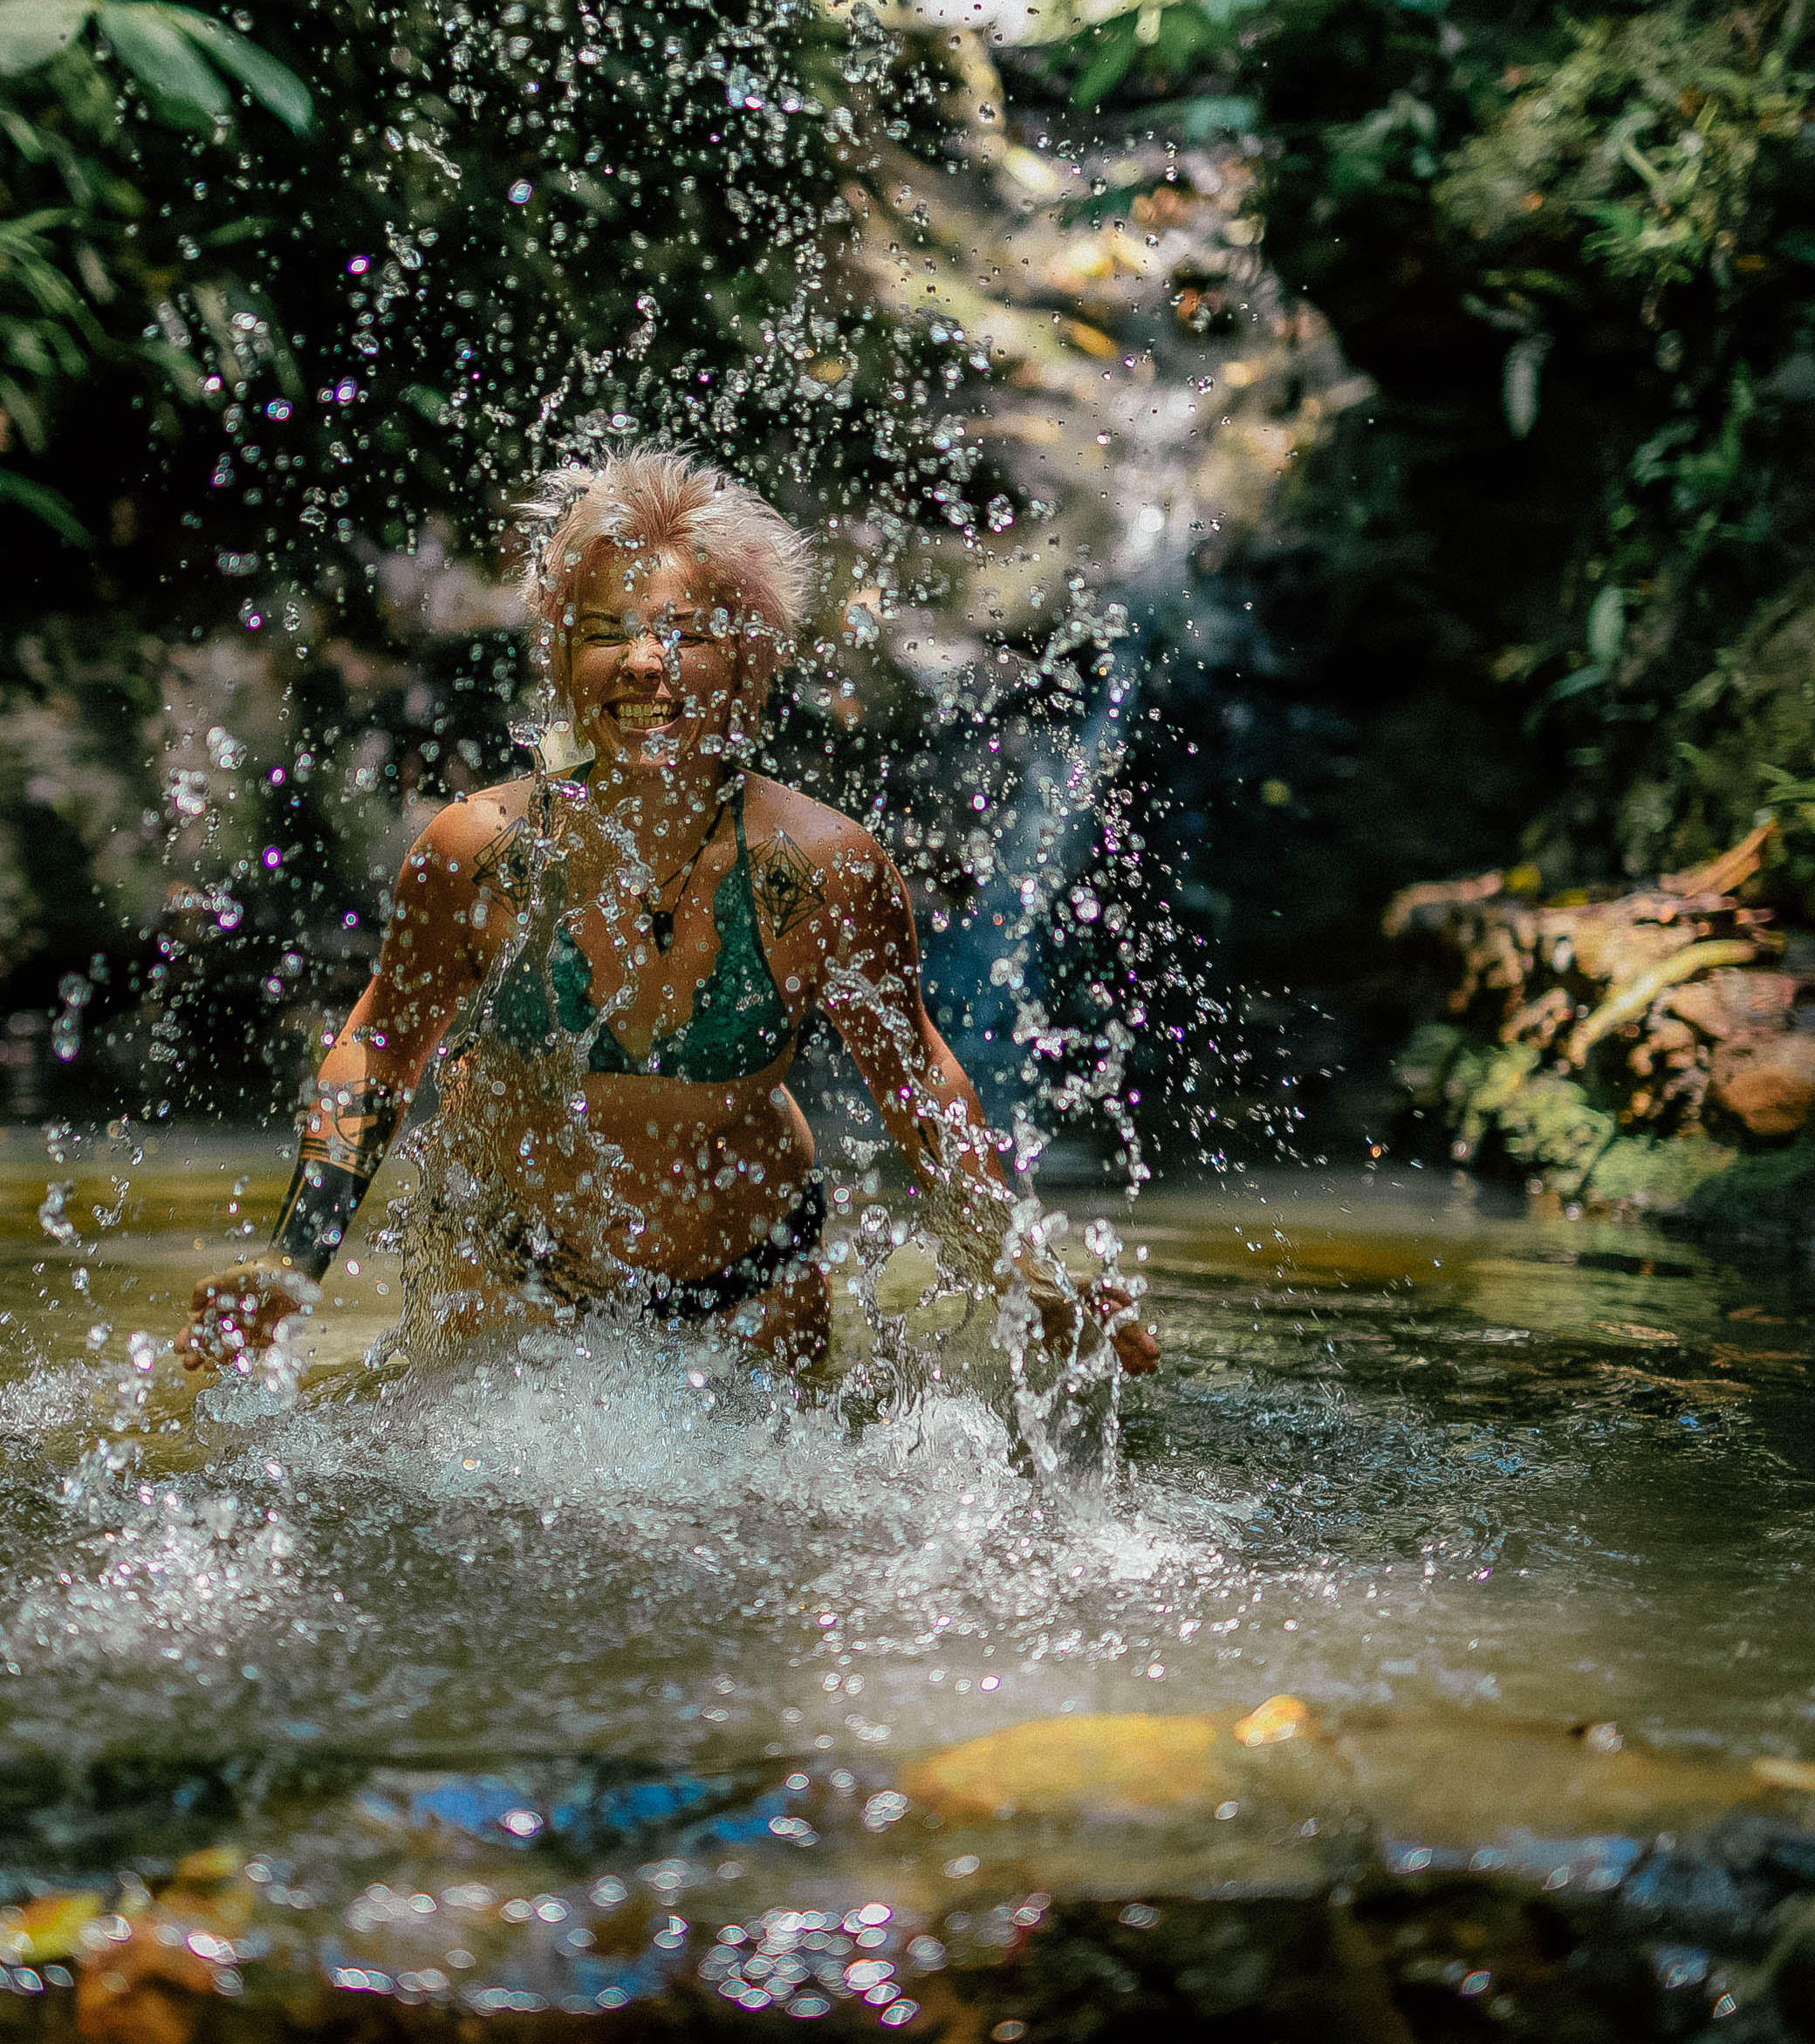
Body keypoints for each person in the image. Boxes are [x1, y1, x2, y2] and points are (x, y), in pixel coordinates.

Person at [177, 452, 1158, 1379]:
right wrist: (295, 1260)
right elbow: (381, 1049)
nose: (646, 661)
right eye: (607, 630)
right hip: (509, 1274)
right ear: (563, 657)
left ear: (750, 658)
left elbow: (916, 1084)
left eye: (687, 632)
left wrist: (1022, 1276)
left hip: (752, 1286)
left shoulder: (825, 868)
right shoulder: (477, 851)